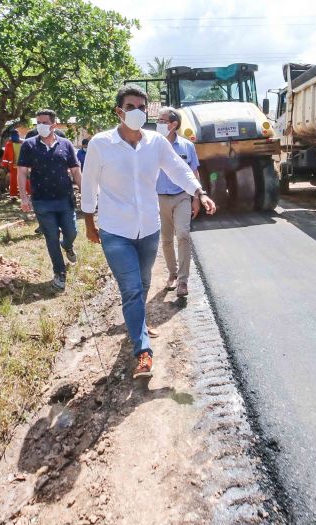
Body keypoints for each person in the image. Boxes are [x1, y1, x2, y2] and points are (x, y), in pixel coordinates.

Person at [81, 85, 217, 379]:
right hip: (115, 230)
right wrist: (89, 222)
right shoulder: (101, 144)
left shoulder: (156, 142)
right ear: (119, 111)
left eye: (143, 107)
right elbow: (89, 183)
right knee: (130, 289)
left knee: (142, 284)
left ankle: (138, 324)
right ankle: (142, 352)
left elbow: (178, 169)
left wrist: (199, 192)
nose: (138, 112)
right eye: (131, 107)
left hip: (149, 230)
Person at [17, 109, 82, 290]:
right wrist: (24, 197)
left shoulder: (66, 144)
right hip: (42, 201)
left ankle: (67, 245)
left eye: (44, 122)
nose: (40, 125)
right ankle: (59, 272)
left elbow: (76, 171)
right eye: (38, 122)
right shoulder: (29, 145)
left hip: (65, 198)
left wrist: (85, 194)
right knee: (51, 237)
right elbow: (22, 172)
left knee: (72, 231)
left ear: (54, 125)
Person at [155, 107, 201, 297]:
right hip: (159, 198)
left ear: (174, 125)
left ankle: (183, 280)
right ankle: (172, 274)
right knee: (166, 239)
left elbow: (193, 172)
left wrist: (196, 198)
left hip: (182, 196)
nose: (159, 123)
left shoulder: (187, 146)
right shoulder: (152, 145)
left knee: (182, 234)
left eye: (163, 120)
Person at [1, 130, 27, 198]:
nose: (15, 136)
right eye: (13, 135)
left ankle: (28, 194)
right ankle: (13, 196)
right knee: (13, 181)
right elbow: (5, 157)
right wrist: (5, 166)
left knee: (26, 181)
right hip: (13, 167)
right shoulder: (9, 144)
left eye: (16, 134)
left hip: (23, 166)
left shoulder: (23, 143)